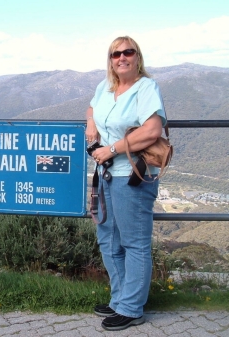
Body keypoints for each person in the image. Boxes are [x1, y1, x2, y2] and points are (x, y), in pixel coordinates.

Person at [85, 36, 166, 331]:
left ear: (137, 57)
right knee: (108, 240)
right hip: (107, 175)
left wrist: (113, 149)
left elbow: (152, 129)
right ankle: (119, 299)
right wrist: (91, 121)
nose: (121, 57)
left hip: (131, 176)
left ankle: (132, 308)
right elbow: (92, 108)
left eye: (127, 52)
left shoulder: (146, 88)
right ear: (110, 60)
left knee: (134, 243)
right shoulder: (106, 87)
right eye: (115, 54)